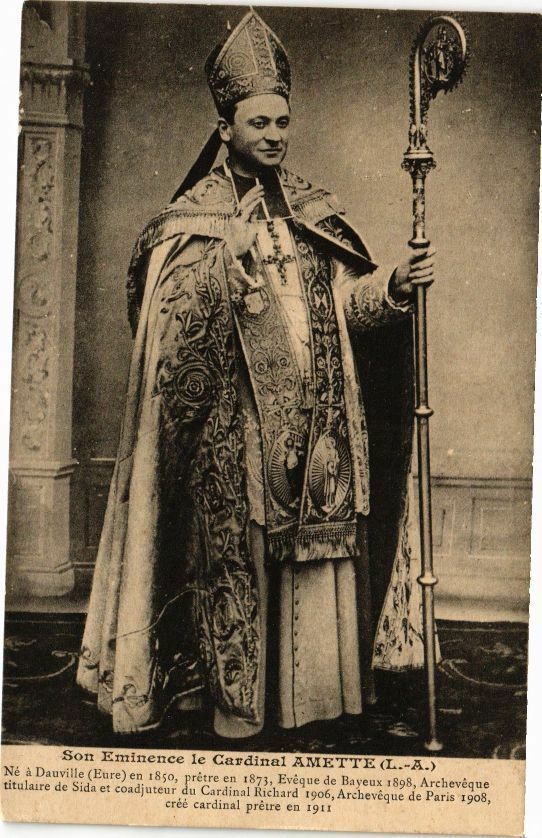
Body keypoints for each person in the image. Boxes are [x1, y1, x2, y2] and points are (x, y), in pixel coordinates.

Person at [76, 10, 436, 738]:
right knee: (236, 566)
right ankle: (241, 705)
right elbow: (164, 325)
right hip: (235, 433)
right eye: (259, 122)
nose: (274, 135)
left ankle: (309, 702)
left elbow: (343, 307)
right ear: (225, 126)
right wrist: (223, 270)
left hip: (318, 428)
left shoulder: (310, 208)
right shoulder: (194, 218)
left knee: (309, 566)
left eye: (282, 121)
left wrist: (393, 287)